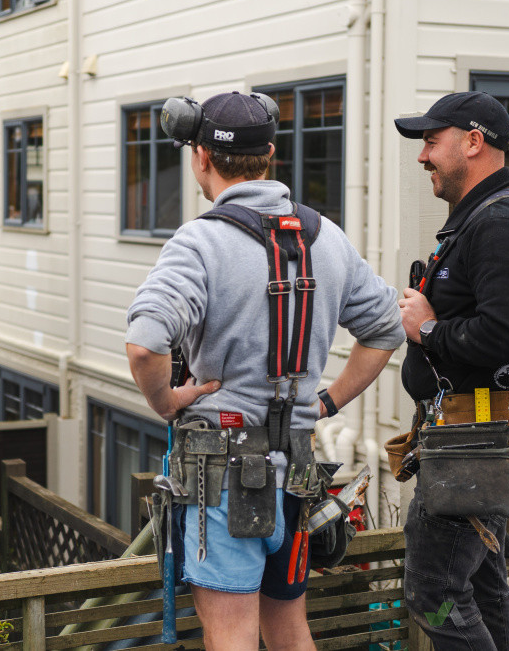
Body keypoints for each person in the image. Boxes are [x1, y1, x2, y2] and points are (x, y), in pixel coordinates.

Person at [126, 91, 404, 651]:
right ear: (269, 154)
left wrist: (166, 401)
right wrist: (326, 402)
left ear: (201, 156)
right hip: (297, 476)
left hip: (222, 479)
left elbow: (145, 344)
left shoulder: (199, 242)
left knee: (231, 635)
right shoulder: (326, 237)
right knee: (289, 630)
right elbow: (387, 330)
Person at [394, 91, 509, 650]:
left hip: (476, 441)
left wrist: (427, 330)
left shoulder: (502, 223)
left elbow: (507, 336)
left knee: (434, 592)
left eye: (431, 142)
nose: (423, 156)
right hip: (474, 437)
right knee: (483, 587)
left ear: (472, 141)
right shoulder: (482, 219)